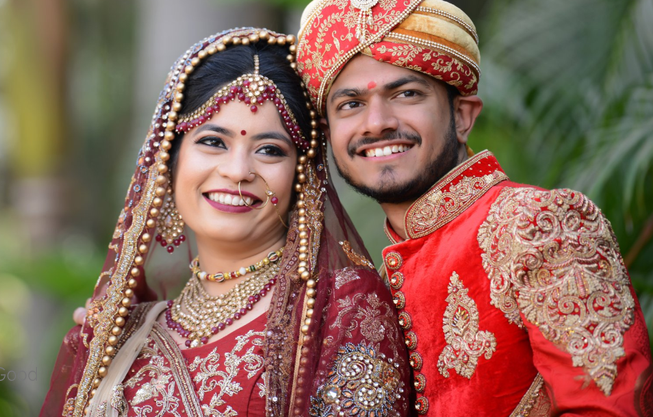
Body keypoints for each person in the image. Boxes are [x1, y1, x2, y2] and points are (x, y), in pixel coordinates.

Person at [295, 0, 653, 415]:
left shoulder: (537, 223)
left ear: (463, 116)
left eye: (406, 94)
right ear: (329, 134)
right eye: (350, 104)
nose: (376, 123)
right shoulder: (377, 288)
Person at [40, 28, 413, 417]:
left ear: (301, 178)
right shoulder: (115, 338)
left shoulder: (340, 309)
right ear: (169, 162)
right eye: (213, 142)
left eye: (269, 150)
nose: (237, 171)